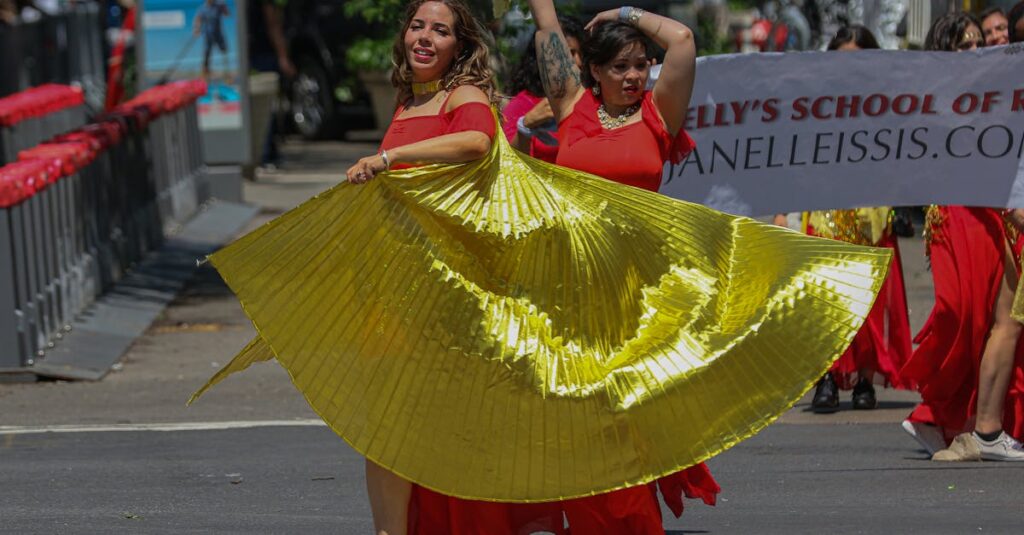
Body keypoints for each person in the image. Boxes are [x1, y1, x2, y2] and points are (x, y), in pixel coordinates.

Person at [190, 3, 893, 535]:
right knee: (554, 411)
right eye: (619, 66)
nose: (633, 75)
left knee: (620, 420)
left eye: (638, 67)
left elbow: (681, 41)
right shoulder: (573, 107)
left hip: (637, 295)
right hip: (562, 289)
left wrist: (623, 15)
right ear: (591, 72)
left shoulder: (658, 118)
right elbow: (546, 26)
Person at [899, 11, 1024, 462]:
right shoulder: (938, 99)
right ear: (945, 52)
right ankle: (941, 412)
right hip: (958, 214)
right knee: (963, 315)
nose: (975, 49)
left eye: (978, 42)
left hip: (992, 214)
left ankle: (964, 422)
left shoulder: (998, 91)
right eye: (964, 44)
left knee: (993, 320)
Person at [800, 26, 913, 413]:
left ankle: (865, 380)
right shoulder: (815, 107)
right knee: (827, 299)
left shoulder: (888, 107)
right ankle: (827, 379)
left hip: (872, 218)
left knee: (870, 304)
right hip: (826, 216)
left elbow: (901, 159)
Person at [501, 16, 584, 162]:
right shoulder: (522, 104)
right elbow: (508, 162)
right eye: (568, 54)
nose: (578, 62)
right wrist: (525, 126)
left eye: (581, 54)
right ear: (544, 58)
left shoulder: (596, 97)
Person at [193, 0, 230, 80]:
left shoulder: (219, 6)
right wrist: (197, 29)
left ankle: (226, 71)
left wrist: (224, 6)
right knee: (207, 53)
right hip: (208, 35)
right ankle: (205, 73)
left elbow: (227, 14)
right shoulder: (202, 8)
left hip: (218, 34)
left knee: (224, 50)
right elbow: (198, 19)